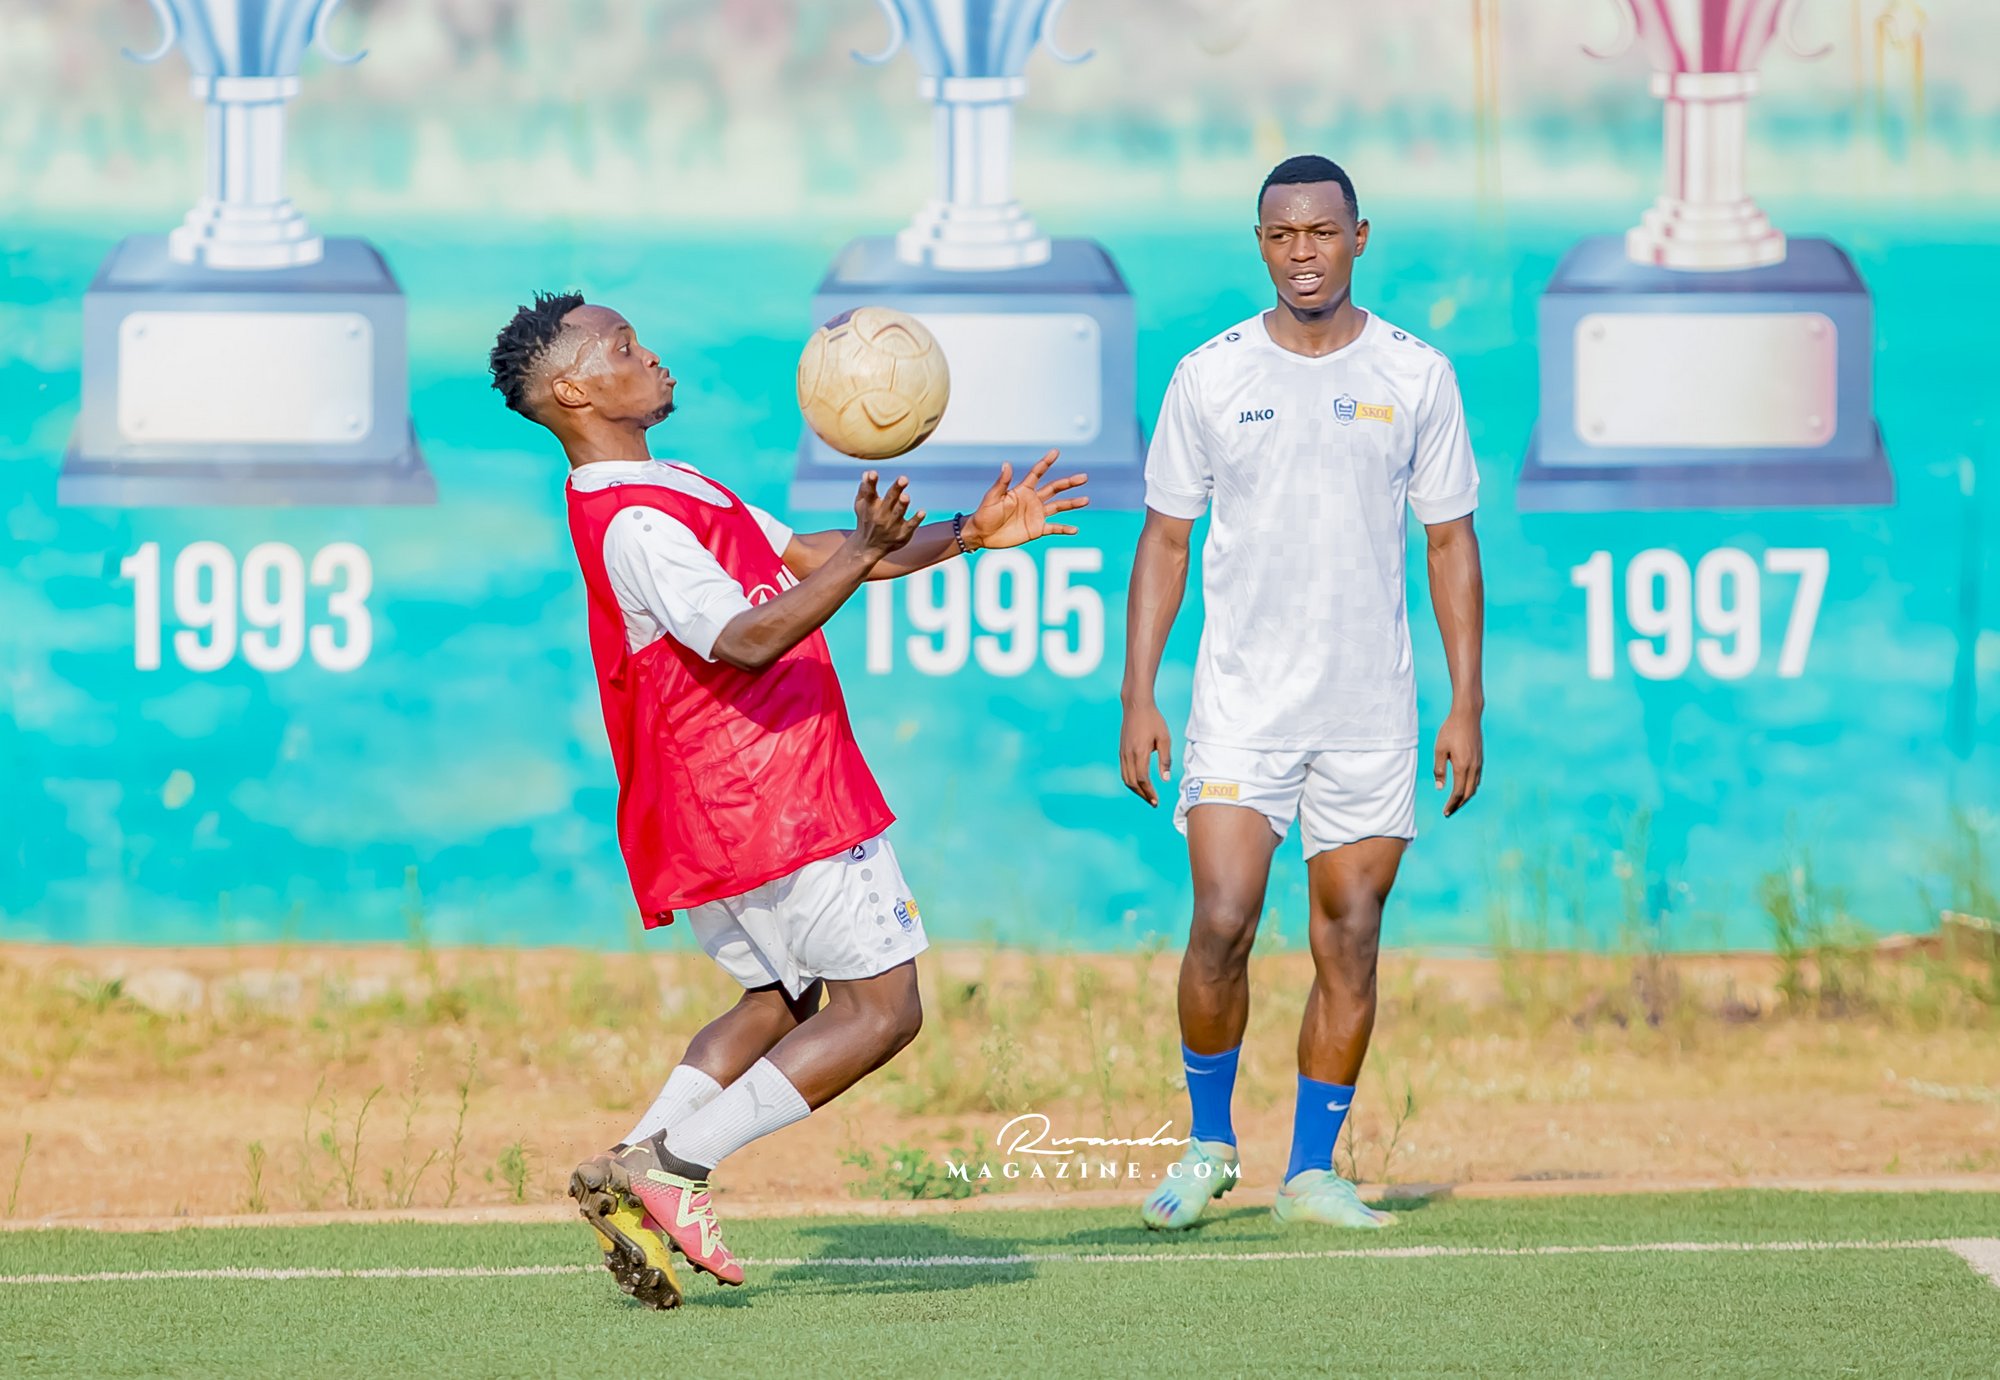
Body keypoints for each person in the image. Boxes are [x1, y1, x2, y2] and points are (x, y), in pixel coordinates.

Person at [489, 292, 1087, 1306]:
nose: (652, 356)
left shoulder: (664, 485)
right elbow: (743, 639)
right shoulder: (634, 522)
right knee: (883, 1011)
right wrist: (860, 551)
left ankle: (630, 1163)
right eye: (625, 347)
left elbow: (801, 558)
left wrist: (966, 533)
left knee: (782, 999)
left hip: (727, 800)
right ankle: (673, 1167)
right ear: (575, 392)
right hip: (772, 792)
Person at [1118, 156, 1485, 1231]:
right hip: (1241, 708)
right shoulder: (1210, 375)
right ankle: (1207, 1146)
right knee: (1222, 921)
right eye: (1282, 236)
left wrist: (1465, 703)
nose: (1303, 253)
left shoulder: (1416, 373)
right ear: (1260, 244)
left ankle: (1312, 1173)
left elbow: (1450, 543)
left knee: (1350, 935)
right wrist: (1138, 694)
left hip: (1369, 712)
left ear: (1359, 237)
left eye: (1322, 232)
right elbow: (1165, 540)